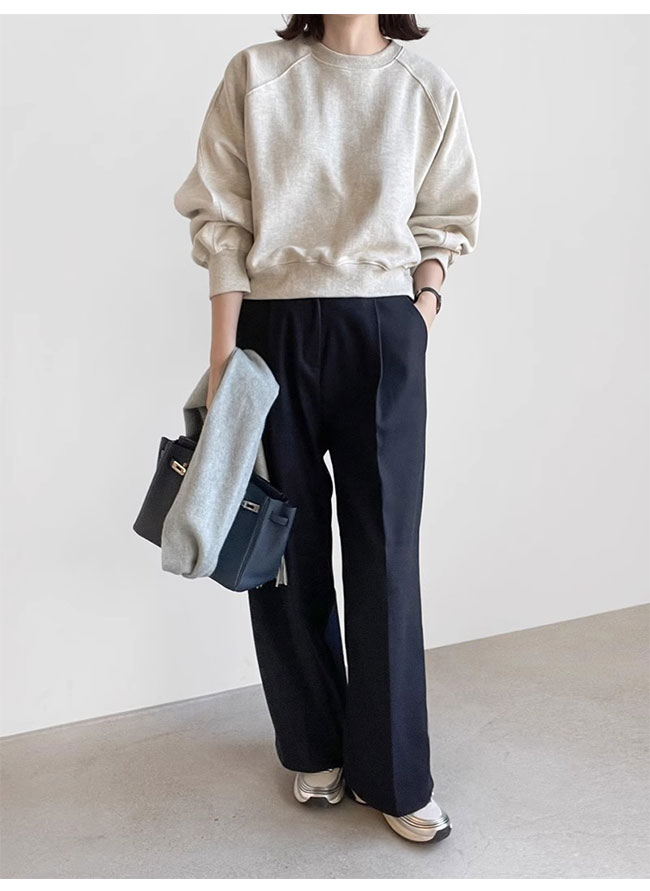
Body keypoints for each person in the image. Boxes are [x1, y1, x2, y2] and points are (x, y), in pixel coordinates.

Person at [173, 13, 481, 844]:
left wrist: (421, 310)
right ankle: (314, 744)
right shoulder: (257, 73)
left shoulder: (425, 89)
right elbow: (223, 219)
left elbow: (445, 217)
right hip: (271, 329)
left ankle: (396, 774)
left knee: (386, 550)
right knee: (283, 547)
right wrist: (224, 361)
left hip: (382, 328)